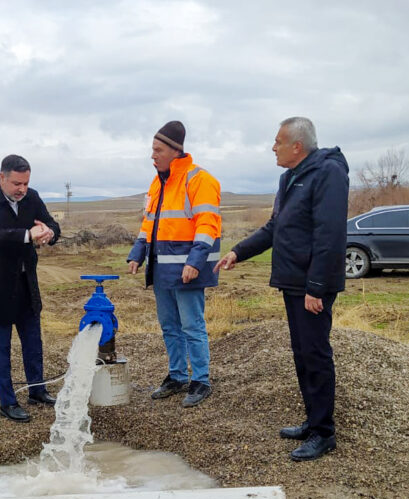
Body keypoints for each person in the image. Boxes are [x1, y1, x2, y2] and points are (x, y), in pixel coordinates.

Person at [216, 117, 349, 461]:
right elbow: (275, 227)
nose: (272, 147)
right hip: (293, 282)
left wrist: (316, 287)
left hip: (312, 284)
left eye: (277, 141)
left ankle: (324, 433)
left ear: (297, 146)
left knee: (316, 355)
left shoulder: (327, 174)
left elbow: (329, 234)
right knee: (302, 355)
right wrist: (238, 252)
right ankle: (312, 420)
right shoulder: (289, 177)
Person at [127, 121, 222, 407]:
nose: (152, 155)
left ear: (175, 150)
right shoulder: (158, 182)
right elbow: (150, 223)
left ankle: (201, 380)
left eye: (157, 150)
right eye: (152, 150)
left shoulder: (199, 180)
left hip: (187, 269)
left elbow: (208, 224)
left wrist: (195, 261)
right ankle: (178, 375)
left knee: (192, 325)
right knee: (169, 326)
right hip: (162, 267)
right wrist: (137, 252)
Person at [0, 154, 61, 422]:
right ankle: (7, 401)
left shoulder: (32, 197)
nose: (22, 189)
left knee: (33, 340)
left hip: (25, 280)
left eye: (26, 183)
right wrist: (29, 235)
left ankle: (37, 391)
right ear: (2, 178)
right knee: (0, 345)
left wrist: (50, 233)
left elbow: (52, 225)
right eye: (17, 183)